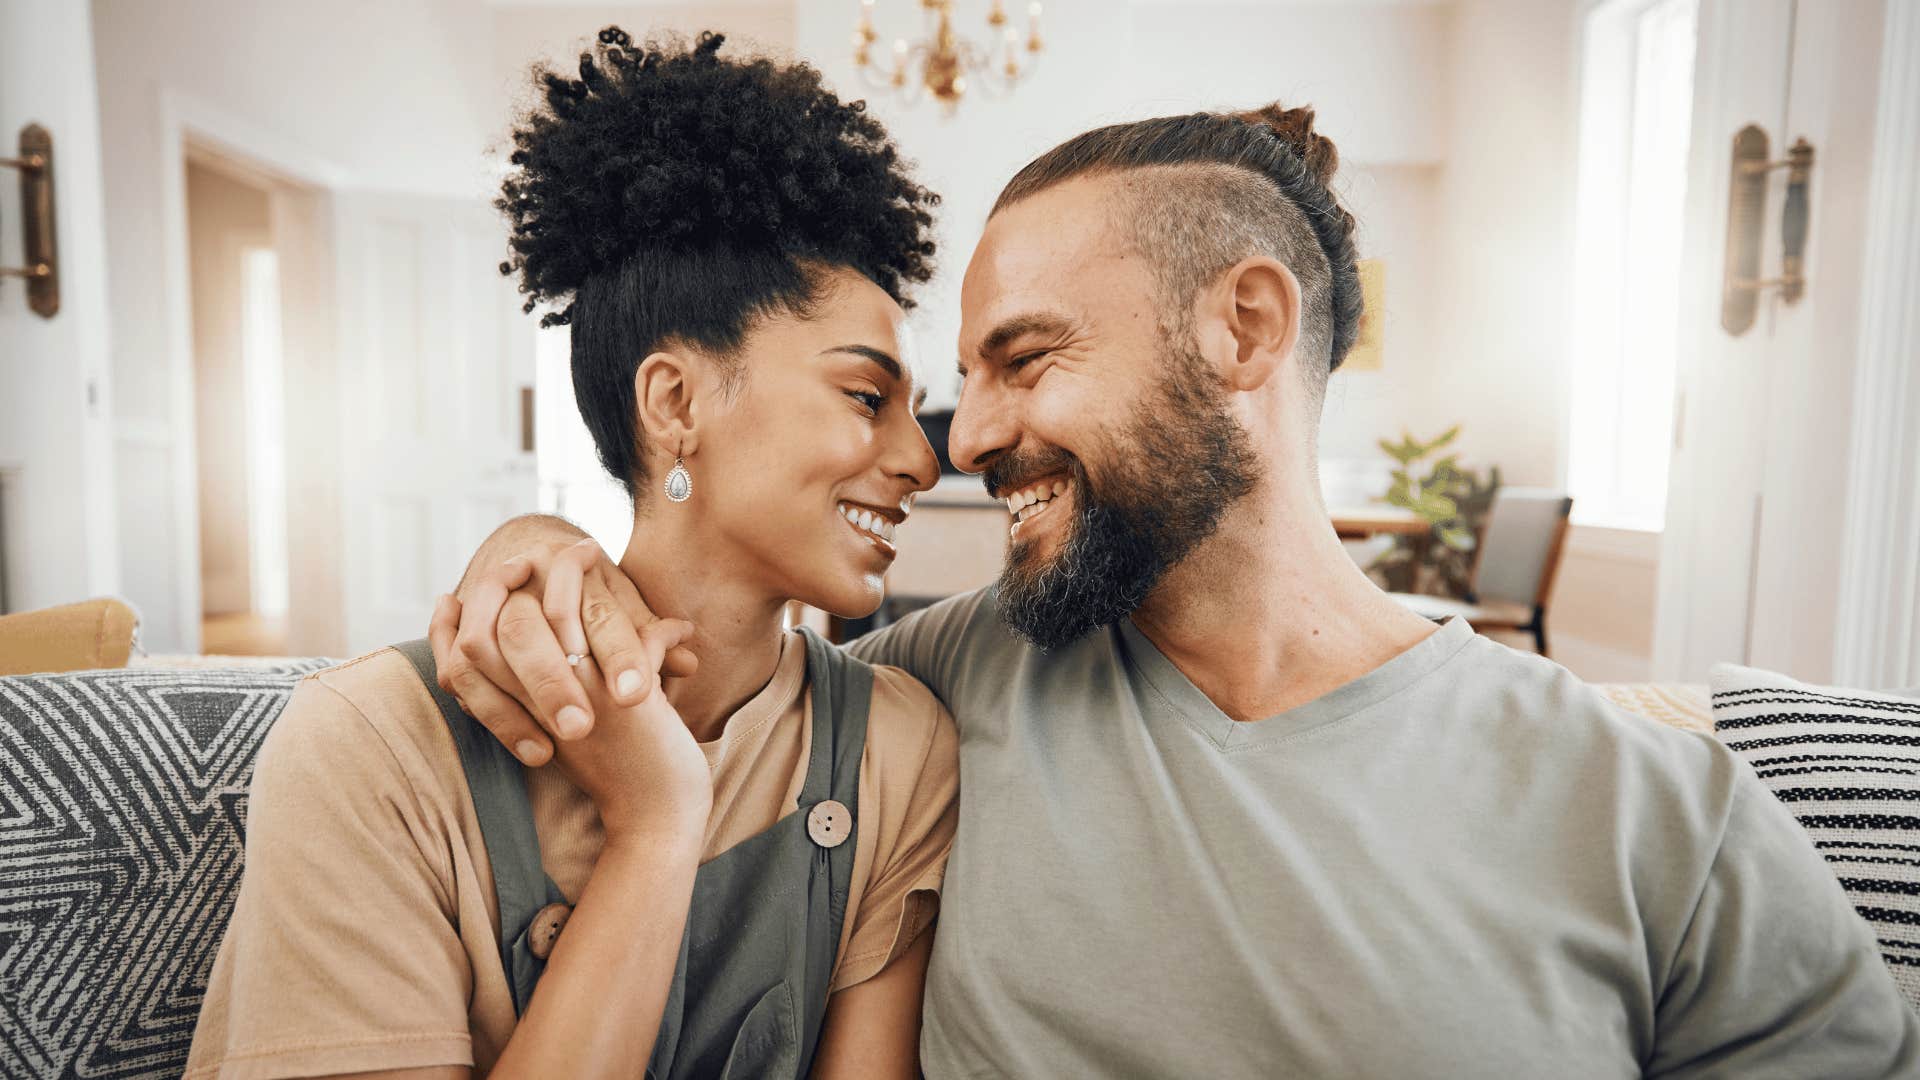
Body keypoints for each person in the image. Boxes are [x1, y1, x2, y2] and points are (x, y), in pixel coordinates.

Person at [437, 105, 1920, 1076]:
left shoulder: (1654, 809)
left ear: (1246, 328)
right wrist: (554, 560)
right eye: (961, 384)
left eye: (1023, 361)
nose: (973, 436)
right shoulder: (931, 696)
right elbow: (713, 659)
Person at [187, 29, 959, 1080]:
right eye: (867, 397)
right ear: (675, 402)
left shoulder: (898, 750)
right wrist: (656, 825)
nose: (922, 457)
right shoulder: (369, 748)